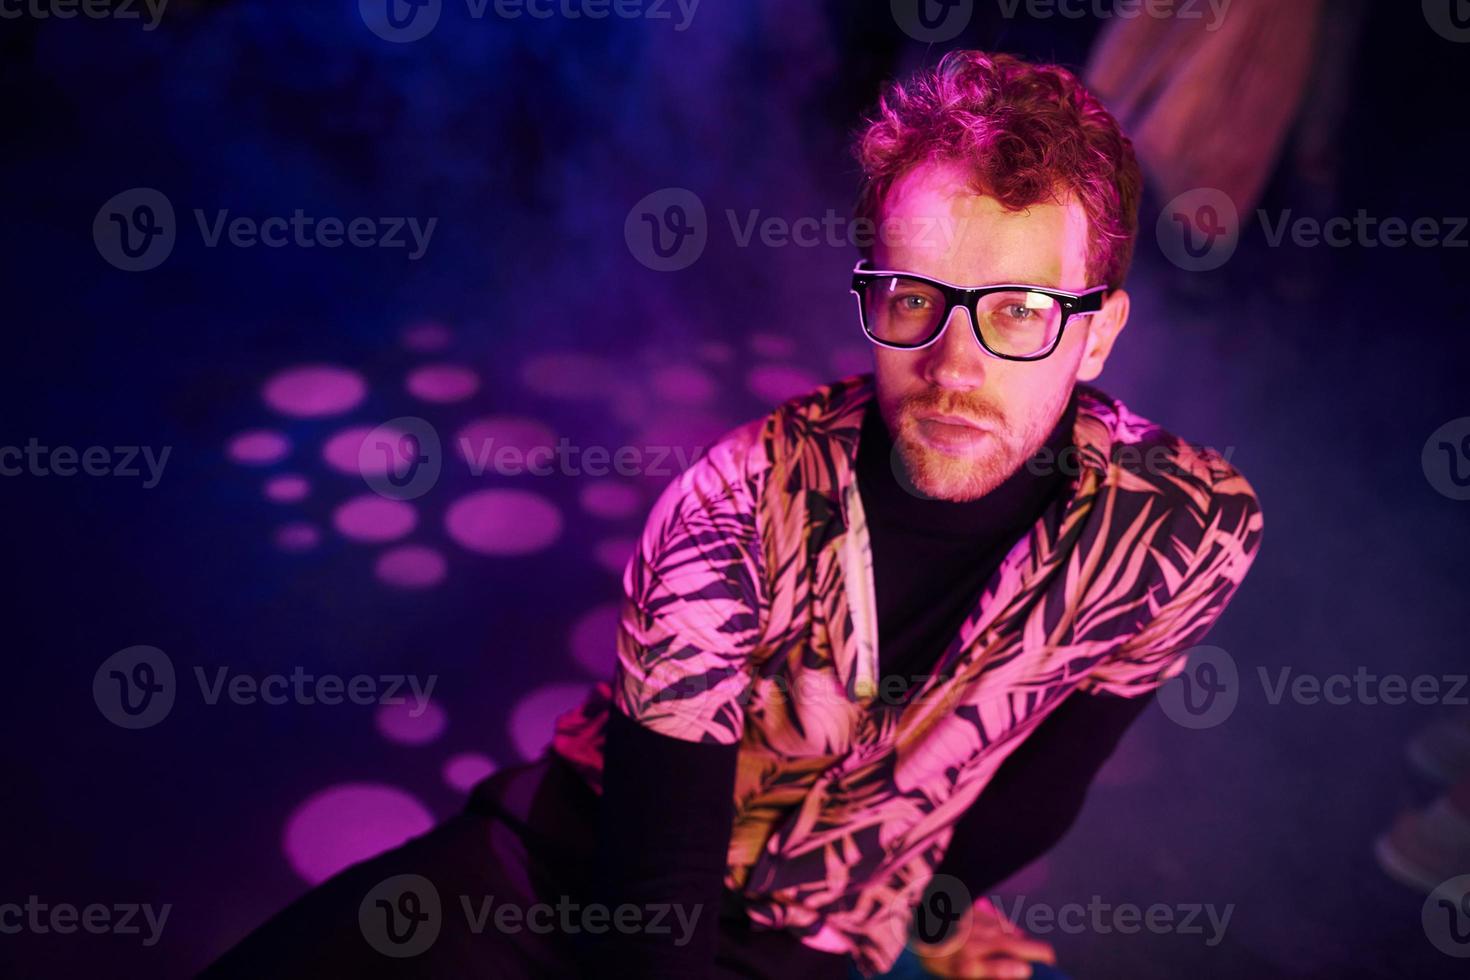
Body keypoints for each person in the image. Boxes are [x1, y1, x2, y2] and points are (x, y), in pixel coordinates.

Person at [202, 50, 1264, 980]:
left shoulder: (1187, 529)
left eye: (1022, 313)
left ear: (1097, 334)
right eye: (913, 299)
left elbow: (1043, 783)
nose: (955, 363)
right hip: (564, 874)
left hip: (804, 944)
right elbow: (651, 890)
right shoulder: (734, 501)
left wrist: (928, 916)